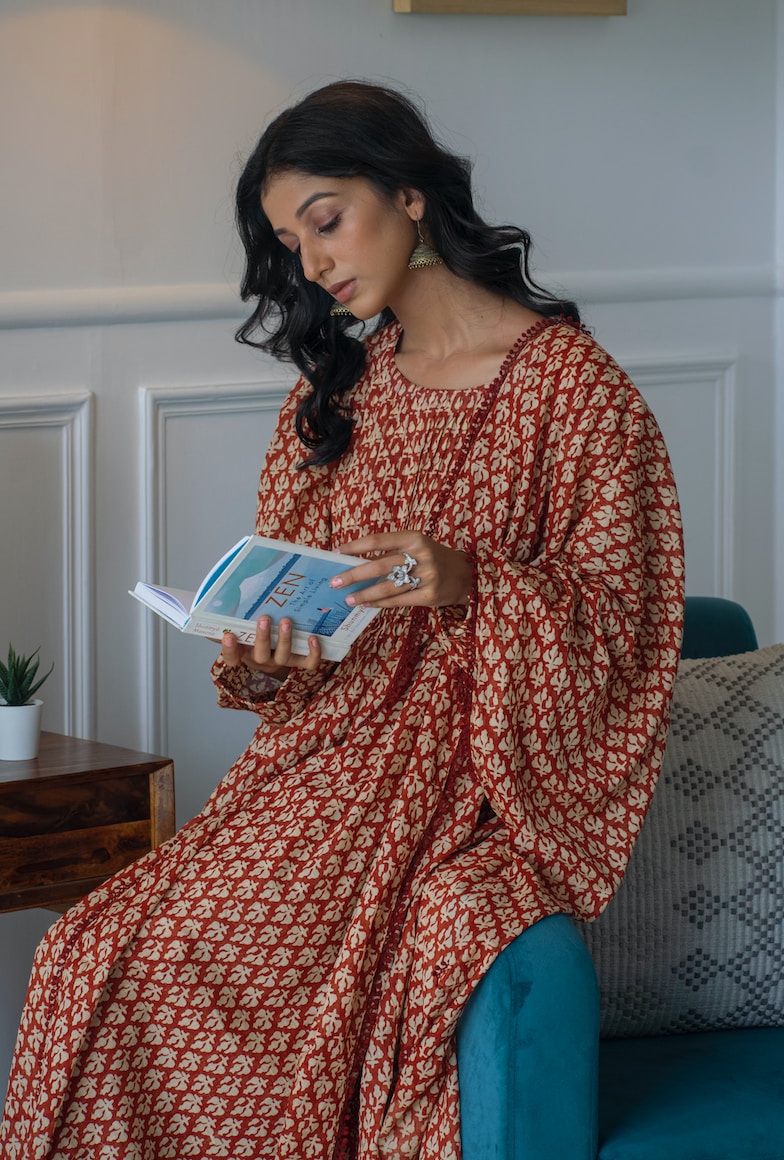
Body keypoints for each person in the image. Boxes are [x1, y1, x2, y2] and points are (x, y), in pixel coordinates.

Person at [1, 81, 684, 1160]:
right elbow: (290, 612)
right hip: (313, 767)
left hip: (461, 777)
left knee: (167, 971)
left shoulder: (574, 392)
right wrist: (269, 658)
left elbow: (627, 632)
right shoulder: (336, 393)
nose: (313, 263)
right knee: (87, 950)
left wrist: (468, 580)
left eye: (326, 219)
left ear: (410, 194)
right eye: (289, 241)